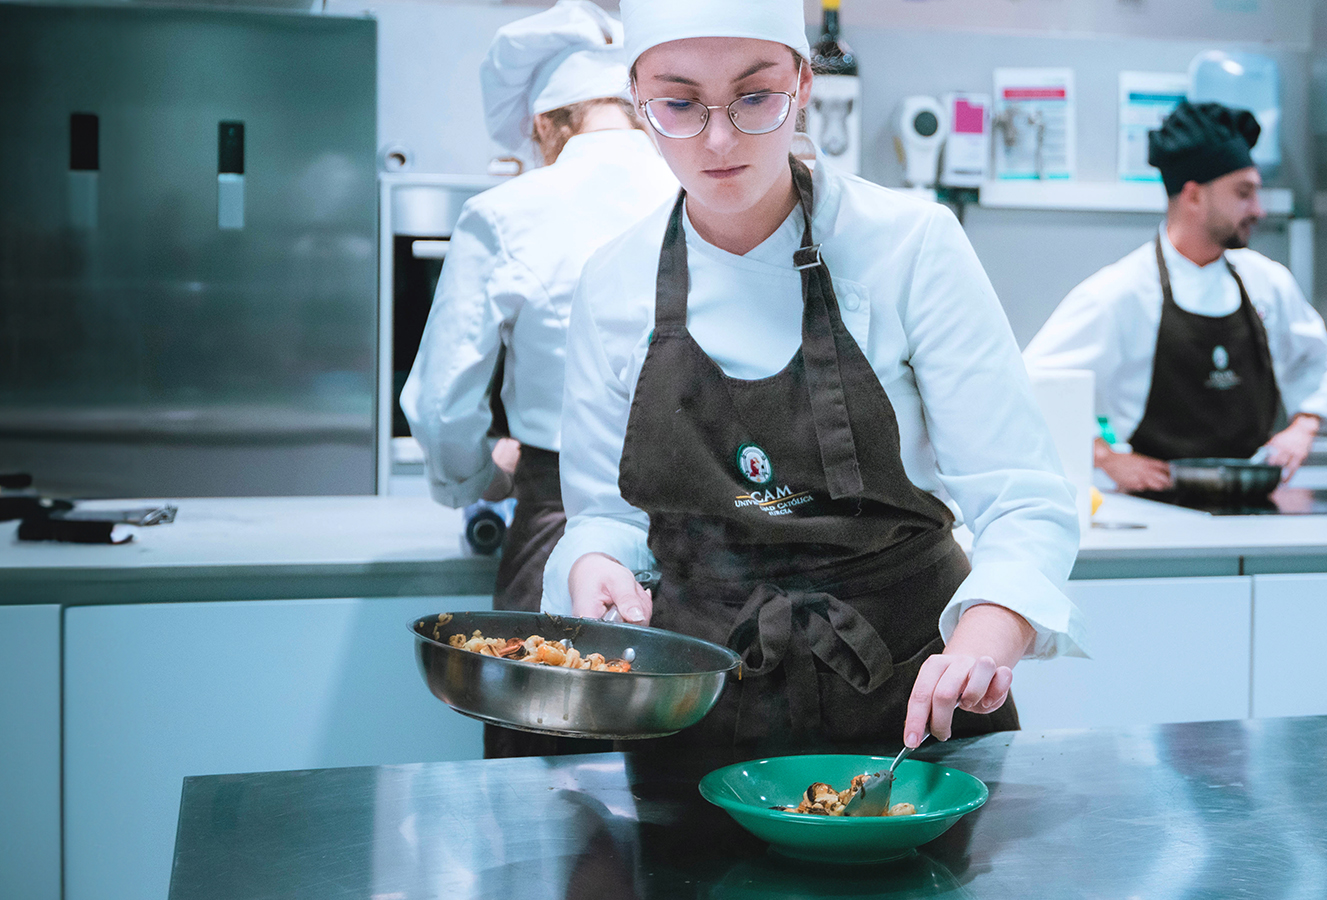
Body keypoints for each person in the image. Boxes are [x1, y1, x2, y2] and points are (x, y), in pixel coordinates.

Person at [542, 0, 1085, 752]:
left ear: (803, 84)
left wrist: (989, 634)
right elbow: (605, 514)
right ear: (638, 99)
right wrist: (595, 561)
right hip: (697, 706)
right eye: (679, 103)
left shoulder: (910, 246)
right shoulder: (613, 281)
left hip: (912, 701)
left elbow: (1022, 499)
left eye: (755, 97)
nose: (720, 138)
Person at [399, 0, 677, 757]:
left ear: (544, 127)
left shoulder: (508, 211)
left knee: (546, 782)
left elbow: (440, 401)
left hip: (559, 521)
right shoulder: (705, 197)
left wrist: (476, 476)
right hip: (711, 538)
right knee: (686, 784)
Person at [1024, 102, 1327, 493]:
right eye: (1244, 194)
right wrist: (1105, 456)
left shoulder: (1268, 283)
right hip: (1154, 502)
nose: (1258, 210)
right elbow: (1035, 381)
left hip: (1254, 496)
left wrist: (1304, 426)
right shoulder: (1119, 293)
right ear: (1193, 196)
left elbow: (1316, 356)